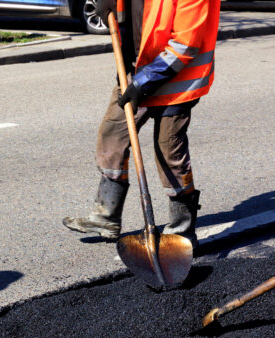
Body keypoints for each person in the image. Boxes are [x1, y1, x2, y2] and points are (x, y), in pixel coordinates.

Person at [62, 0, 219, 248]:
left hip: (179, 78)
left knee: (168, 151)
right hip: (138, 69)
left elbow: (186, 44)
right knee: (114, 132)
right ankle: (106, 215)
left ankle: (182, 230)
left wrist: (142, 82)